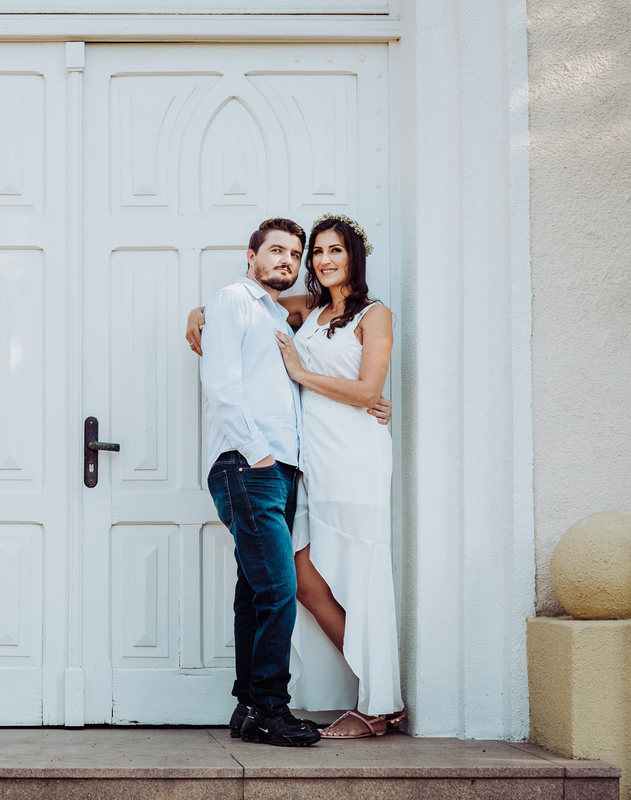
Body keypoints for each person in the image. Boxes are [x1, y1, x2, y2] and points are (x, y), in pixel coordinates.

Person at [188, 214, 403, 739]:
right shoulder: (296, 310)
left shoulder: (370, 314)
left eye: (335, 251)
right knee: (292, 582)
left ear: (354, 257)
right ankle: (267, 707)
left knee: (320, 577)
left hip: (339, 458)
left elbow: (368, 388)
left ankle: (371, 699)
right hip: (282, 463)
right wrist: (197, 311)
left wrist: (305, 375)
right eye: (317, 253)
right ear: (254, 254)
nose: (321, 261)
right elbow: (229, 318)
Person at [199, 217, 321, 747]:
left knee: (255, 592)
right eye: (276, 251)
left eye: (295, 255)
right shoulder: (233, 300)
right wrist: (259, 455)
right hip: (247, 465)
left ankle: (249, 709)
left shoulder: (278, 313)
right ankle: (271, 708)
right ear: (251, 255)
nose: (286, 262)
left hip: (277, 470)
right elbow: (221, 383)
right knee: (278, 590)